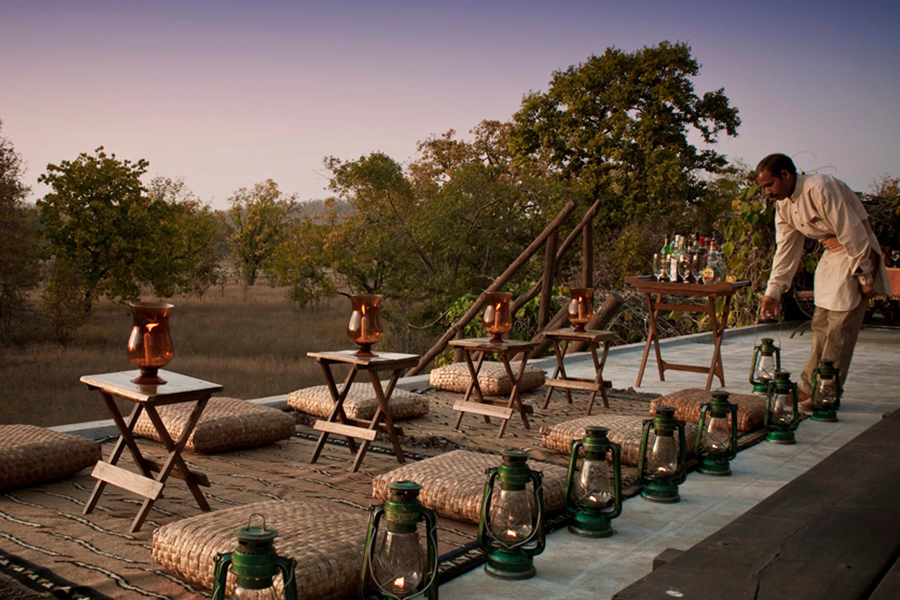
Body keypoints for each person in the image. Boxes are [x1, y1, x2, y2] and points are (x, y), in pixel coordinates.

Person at [756, 153, 891, 411]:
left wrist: (864, 274)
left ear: (785, 175)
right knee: (821, 325)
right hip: (831, 256)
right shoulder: (784, 205)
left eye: (769, 185)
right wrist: (773, 291)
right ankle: (808, 387)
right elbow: (786, 249)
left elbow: (852, 230)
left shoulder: (820, 187)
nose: (768, 192)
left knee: (840, 329)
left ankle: (826, 393)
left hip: (854, 252)